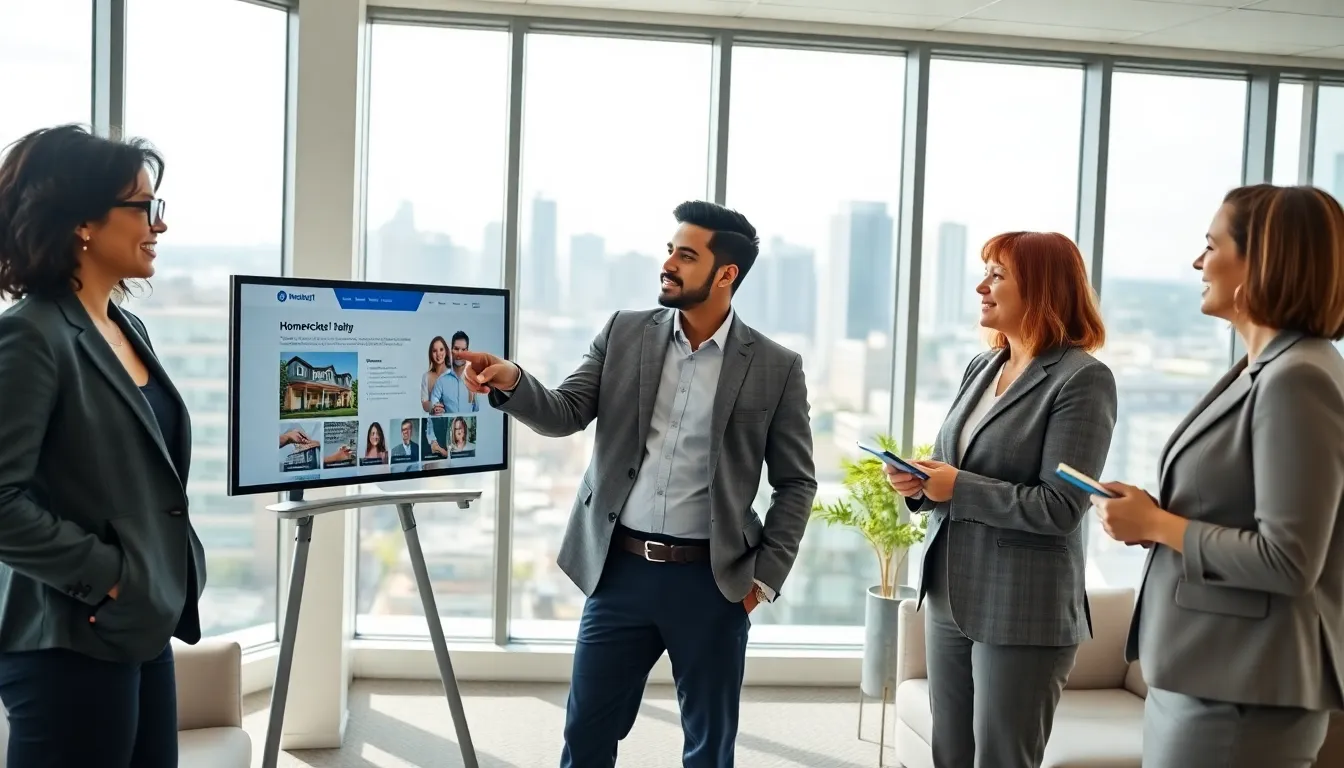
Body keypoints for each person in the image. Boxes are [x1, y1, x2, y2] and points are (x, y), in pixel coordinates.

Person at [456, 201, 817, 768]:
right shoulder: (624, 334)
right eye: (670, 249)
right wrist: (514, 381)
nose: (668, 262)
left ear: (726, 275)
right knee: (587, 736)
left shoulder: (776, 366)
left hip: (714, 582)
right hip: (619, 572)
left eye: (686, 255)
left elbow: (796, 483)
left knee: (708, 748)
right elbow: (565, 411)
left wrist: (762, 582)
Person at [1093, 184, 1344, 768]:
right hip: (1209, 677)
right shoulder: (1263, 369)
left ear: (1263, 260)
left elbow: (1288, 560)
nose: (1197, 262)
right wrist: (1152, 516)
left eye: (1211, 245)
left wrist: (1157, 524)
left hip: (1240, 691)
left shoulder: (1296, 379)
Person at [0, 124, 206, 767]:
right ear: (82, 222)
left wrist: (141, 588)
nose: (159, 226)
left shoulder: (126, 324)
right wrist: (111, 579)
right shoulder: (31, 337)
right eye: (144, 208)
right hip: (66, 637)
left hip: (139, 625)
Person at [885, 231, 1116, 768]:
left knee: (1002, 759)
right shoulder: (982, 367)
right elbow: (957, 467)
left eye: (997, 275)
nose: (980, 287)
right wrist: (921, 486)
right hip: (949, 595)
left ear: (1041, 289)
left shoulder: (1083, 381)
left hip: (1021, 607)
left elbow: (1061, 506)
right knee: (951, 755)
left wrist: (958, 487)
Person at [420, 335, 450, 414]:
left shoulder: (452, 374)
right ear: (431, 354)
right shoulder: (426, 376)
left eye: (441, 349)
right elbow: (424, 404)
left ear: (446, 351)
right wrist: (434, 407)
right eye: (434, 351)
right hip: (433, 421)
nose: (438, 354)